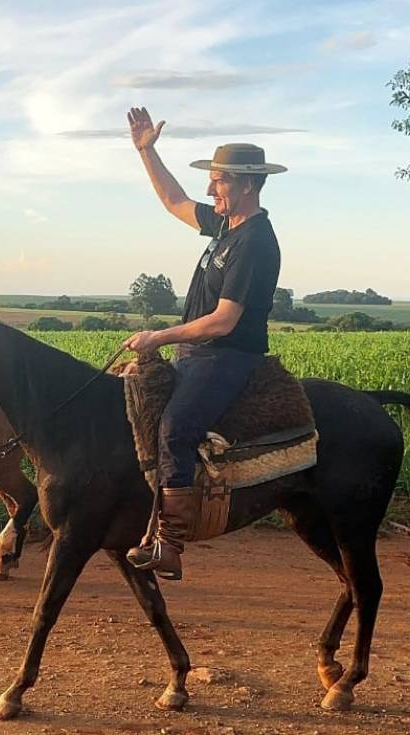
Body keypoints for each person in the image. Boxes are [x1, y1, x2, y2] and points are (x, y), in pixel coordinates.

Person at [122, 107, 286, 580]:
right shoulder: (224, 227)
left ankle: (169, 545)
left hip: (228, 355)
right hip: (196, 354)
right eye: (212, 181)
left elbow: (222, 321)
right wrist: (146, 150)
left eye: (220, 182)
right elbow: (173, 199)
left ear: (248, 185)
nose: (212, 190)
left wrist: (158, 337)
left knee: (175, 427)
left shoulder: (256, 240)